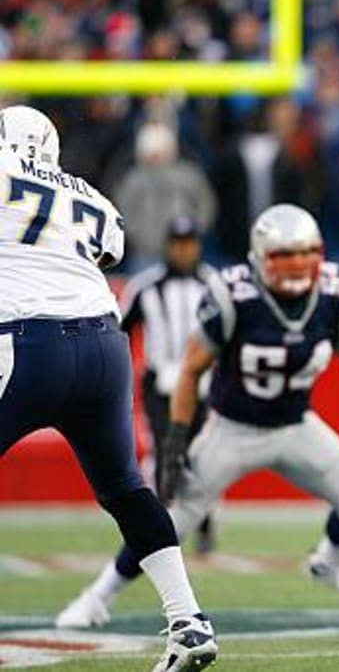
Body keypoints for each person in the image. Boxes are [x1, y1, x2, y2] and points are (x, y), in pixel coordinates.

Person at [56, 203, 339, 625]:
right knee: (171, 521)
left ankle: (331, 563)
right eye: (285, 255)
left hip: (296, 425)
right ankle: (98, 595)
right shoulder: (235, 294)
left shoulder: (334, 292)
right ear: (261, 257)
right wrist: (176, 440)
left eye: (305, 253)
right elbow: (192, 368)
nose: (298, 265)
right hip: (233, 430)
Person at [0, 105, 217, 671]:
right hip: (104, 344)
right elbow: (110, 247)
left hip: (27, 343)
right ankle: (188, 620)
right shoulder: (87, 193)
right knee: (126, 488)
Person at [115, 215, 218, 556]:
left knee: (200, 456)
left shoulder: (214, 285)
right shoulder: (146, 286)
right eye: (177, 244)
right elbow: (120, 332)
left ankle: (203, 526)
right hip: (160, 383)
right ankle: (163, 530)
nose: (183, 251)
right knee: (163, 453)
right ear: (168, 246)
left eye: (189, 243)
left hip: (202, 385)